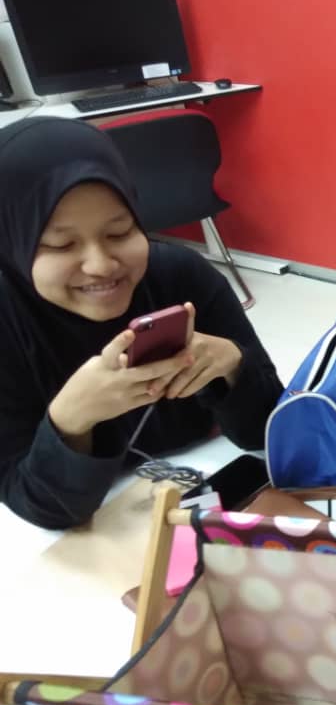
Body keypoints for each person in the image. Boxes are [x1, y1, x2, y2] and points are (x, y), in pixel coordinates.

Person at [0, 117, 283, 529]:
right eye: (62, 244)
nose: (101, 265)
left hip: (211, 482)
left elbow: (270, 432)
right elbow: (37, 506)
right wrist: (70, 420)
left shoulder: (181, 277)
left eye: (120, 232)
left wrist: (233, 366)